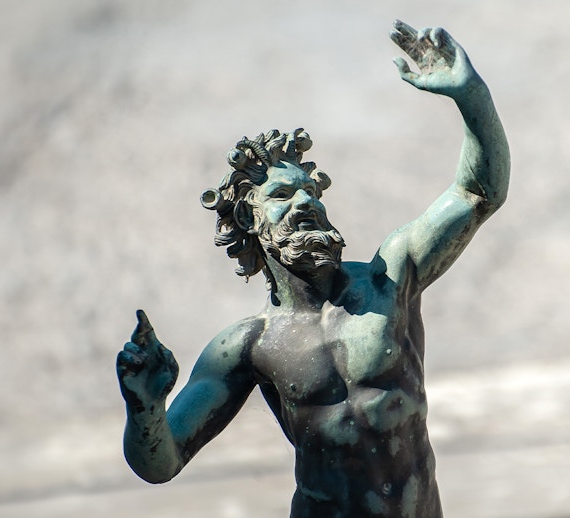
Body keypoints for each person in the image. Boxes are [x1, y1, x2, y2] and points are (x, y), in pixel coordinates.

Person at [117, 20, 509, 518]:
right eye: (283, 195)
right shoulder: (247, 347)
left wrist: (472, 97)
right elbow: (162, 462)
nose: (306, 202)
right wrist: (145, 407)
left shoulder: (389, 278)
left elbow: (478, 194)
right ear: (248, 220)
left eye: (311, 192)